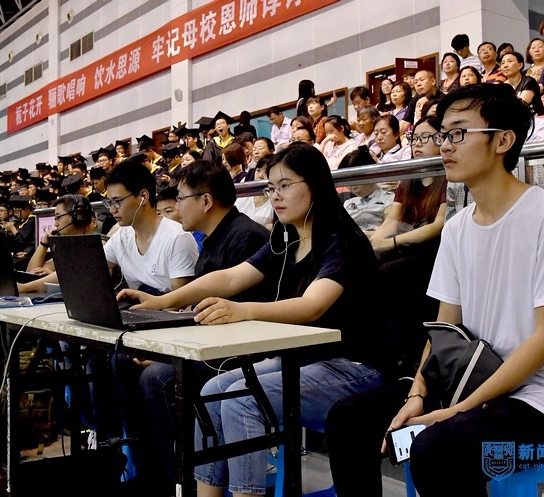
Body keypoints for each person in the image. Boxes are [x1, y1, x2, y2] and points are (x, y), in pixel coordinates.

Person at [118, 142, 385, 497]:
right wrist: (161, 301)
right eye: (271, 188)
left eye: (285, 185)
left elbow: (311, 306)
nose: (276, 196)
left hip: (351, 367)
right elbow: (230, 278)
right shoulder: (285, 237)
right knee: (211, 392)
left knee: (242, 399)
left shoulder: (342, 241)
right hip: (300, 360)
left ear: (316, 184)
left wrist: (244, 310)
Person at [404, 84, 544, 496]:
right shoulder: (457, 228)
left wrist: (458, 411)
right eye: (443, 134)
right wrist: (417, 393)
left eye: (458, 133)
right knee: (356, 419)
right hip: (470, 381)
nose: (444, 145)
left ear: (503, 140)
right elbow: (444, 330)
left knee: (440, 448)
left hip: (543, 403)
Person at [114, 160, 269, 494]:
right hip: (213, 343)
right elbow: (200, 310)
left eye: (181, 199)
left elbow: (231, 321)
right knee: (123, 361)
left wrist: (169, 353)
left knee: (158, 378)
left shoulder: (246, 238)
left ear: (206, 201)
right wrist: (158, 305)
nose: (176, 207)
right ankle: (149, 471)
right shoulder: (212, 239)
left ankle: (181, 479)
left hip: (240, 353)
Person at [104, 159, 198, 295]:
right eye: (110, 202)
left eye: (118, 201)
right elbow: (92, 268)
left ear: (143, 196)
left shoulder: (177, 238)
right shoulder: (121, 237)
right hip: (137, 307)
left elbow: (181, 301)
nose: (112, 209)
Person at [341, 147, 394, 233]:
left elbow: (389, 231)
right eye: (347, 182)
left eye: (356, 180)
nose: (353, 187)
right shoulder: (348, 203)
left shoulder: (389, 199)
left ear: (370, 174)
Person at [500, 51, 544, 115]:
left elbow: (520, 106)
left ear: (520, 65)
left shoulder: (529, 82)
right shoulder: (502, 87)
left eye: (509, 61)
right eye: (502, 63)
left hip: (534, 118)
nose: (505, 65)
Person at [236, 155, 275, 228]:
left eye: (266, 172)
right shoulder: (245, 196)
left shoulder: (276, 201)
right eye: (258, 170)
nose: (260, 176)